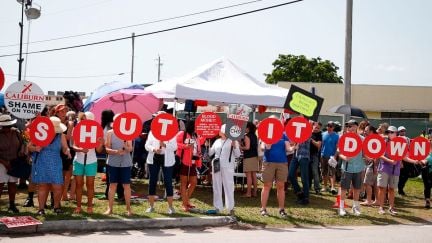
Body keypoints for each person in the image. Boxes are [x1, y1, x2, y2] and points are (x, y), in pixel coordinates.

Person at [28, 116, 71, 215]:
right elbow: (29, 147)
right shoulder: (40, 133)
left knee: (57, 186)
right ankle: (41, 209)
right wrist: (35, 149)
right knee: (43, 186)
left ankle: (56, 207)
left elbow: (65, 147)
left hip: (55, 162)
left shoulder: (61, 136)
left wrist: (67, 151)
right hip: (42, 161)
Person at [377, 126, 421, 215]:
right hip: (384, 168)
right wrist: (390, 161)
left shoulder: (401, 143)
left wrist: (415, 161)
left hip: (395, 169)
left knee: (392, 189)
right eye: (388, 132)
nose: (390, 134)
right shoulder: (384, 142)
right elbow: (380, 154)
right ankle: (381, 207)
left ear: (396, 133)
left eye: (392, 132)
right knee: (382, 188)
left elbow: (404, 157)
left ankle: (391, 208)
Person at [72, 112, 103, 214]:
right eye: (83, 118)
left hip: (91, 160)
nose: (85, 121)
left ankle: (90, 206)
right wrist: (81, 149)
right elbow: (74, 146)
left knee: (90, 184)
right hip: (78, 160)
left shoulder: (96, 131)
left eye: (87, 119)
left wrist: (101, 142)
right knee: (79, 184)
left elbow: (98, 150)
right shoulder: (77, 129)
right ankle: (79, 206)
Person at [103, 119, 134, 216]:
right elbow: (107, 148)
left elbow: (130, 148)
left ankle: (128, 209)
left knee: (127, 186)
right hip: (113, 162)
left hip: (125, 162)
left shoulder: (128, 133)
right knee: (112, 185)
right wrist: (116, 152)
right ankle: (110, 208)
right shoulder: (110, 133)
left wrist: (126, 147)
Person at [144, 127, 177, 214]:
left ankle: (170, 207)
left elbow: (175, 147)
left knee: (168, 181)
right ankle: (151, 206)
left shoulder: (171, 131)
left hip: (167, 159)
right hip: (154, 157)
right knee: (152, 181)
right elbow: (147, 145)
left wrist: (165, 145)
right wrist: (154, 149)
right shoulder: (152, 131)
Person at [209, 124, 241, 215]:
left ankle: (230, 208)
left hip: (228, 166)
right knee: (216, 186)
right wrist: (208, 146)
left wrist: (234, 146)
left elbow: (238, 154)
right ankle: (217, 207)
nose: (219, 131)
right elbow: (211, 152)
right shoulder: (217, 141)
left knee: (229, 187)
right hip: (216, 165)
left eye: (221, 130)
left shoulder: (232, 141)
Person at [259, 127, 291, 218]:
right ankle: (263, 208)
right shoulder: (266, 134)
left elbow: (288, 148)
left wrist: (295, 146)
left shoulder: (284, 135)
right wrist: (267, 145)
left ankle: (281, 209)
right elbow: (262, 148)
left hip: (282, 163)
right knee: (267, 186)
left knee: (281, 186)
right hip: (269, 163)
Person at [337, 120, 366, 216]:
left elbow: (364, 153)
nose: (351, 128)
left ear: (357, 127)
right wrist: (345, 157)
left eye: (353, 126)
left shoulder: (362, 139)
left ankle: (355, 207)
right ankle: (341, 207)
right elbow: (339, 152)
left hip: (359, 167)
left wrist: (368, 157)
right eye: (349, 126)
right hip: (347, 167)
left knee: (357, 188)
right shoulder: (343, 137)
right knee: (344, 188)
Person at [176, 119, 203, 211]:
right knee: (183, 183)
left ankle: (186, 201)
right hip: (184, 161)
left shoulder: (195, 136)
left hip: (193, 162)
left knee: (194, 182)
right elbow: (175, 144)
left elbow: (199, 145)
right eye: (196, 126)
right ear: (192, 126)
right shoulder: (182, 134)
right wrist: (186, 146)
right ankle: (185, 203)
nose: (197, 128)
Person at [0, 114, 24, 213]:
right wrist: (4, 162)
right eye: (5, 126)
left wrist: (21, 151)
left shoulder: (16, 132)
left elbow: (23, 143)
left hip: (14, 161)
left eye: (9, 126)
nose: (8, 128)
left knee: (12, 184)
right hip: (1, 162)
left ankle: (12, 204)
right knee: (0, 184)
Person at [101, 110, 124, 200]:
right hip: (119, 152)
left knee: (111, 175)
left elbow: (105, 141)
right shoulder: (120, 128)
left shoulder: (106, 127)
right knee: (118, 175)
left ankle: (109, 193)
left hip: (111, 152)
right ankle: (120, 194)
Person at [288, 134, 311, 205]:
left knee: (304, 178)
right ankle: (299, 193)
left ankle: (306, 198)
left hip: (304, 156)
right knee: (290, 175)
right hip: (295, 155)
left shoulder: (307, 131)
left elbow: (305, 139)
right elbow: (291, 142)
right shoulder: (295, 132)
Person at [240, 122, 259, 198]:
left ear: (248, 128)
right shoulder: (254, 136)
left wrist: (241, 147)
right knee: (254, 175)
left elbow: (247, 147)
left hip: (248, 157)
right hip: (254, 156)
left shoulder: (247, 136)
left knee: (249, 176)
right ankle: (254, 192)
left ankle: (248, 193)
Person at [361, 125, 379, 206]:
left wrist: (375, 165)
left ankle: (369, 200)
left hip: (373, 164)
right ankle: (377, 200)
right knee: (375, 184)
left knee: (366, 183)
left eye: (366, 130)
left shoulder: (374, 140)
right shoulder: (374, 139)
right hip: (373, 164)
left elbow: (377, 153)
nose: (364, 131)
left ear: (371, 131)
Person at [320, 121, 339, 195]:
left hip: (332, 156)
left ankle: (333, 187)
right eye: (328, 126)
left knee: (332, 172)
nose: (329, 127)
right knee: (324, 171)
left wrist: (335, 156)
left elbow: (338, 147)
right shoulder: (323, 134)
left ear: (333, 127)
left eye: (331, 126)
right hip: (323, 155)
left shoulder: (337, 136)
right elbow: (321, 145)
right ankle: (325, 186)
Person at [397, 126, 412, 196]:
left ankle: (400, 188)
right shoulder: (396, 139)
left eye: (404, 131)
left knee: (406, 175)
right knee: (399, 175)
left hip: (407, 159)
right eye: (401, 131)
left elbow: (409, 148)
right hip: (400, 159)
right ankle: (399, 188)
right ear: (398, 132)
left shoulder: (408, 139)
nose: (403, 132)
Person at [310, 122, 322, 195]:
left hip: (314, 155)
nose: (316, 129)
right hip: (306, 155)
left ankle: (317, 188)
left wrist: (311, 140)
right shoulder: (308, 131)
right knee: (306, 172)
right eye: (316, 127)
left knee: (315, 172)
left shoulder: (319, 135)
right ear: (312, 126)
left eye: (318, 128)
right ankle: (308, 186)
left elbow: (318, 145)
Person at [420, 139, 432, 209]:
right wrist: (422, 161)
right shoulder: (424, 151)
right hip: (426, 170)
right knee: (427, 186)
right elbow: (421, 159)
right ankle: (427, 200)